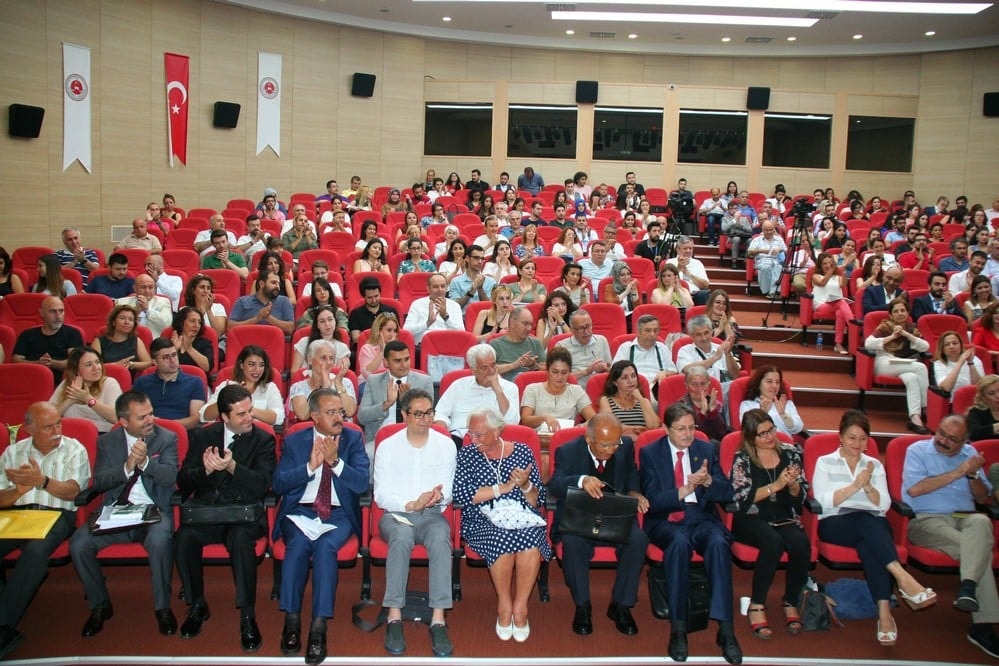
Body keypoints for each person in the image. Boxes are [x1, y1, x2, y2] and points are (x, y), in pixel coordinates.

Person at [811, 409, 937, 647]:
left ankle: (884, 613)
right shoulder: (825, 462)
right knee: (868, 523)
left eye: (862, 438)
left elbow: (883, 504)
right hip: (835, 523)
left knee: (870, 539)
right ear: (840, 437)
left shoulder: (874, 465)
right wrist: (856, 485)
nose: (857, 444)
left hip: (871, 524)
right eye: (851, 437)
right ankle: (903, 578)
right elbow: (824, 500)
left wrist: (868, 487)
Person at [68, 390, 178, 638]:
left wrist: (146, 464)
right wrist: (128, 466)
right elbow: (100, 481)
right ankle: (100, 605)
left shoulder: (166, 438)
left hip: (153, 512)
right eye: (142, 417)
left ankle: (162, 607)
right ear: (123, 421)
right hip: (116, 512)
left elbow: (171, 476)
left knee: (160, 540)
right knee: (79, 543)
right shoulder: (108, 442)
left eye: (151, 414)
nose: (150, 420)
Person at [174, 385, 276, 651]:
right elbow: (183, 483)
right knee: (183, 537)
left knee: (240, 539)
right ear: (224, 417)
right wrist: (204, 472)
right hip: (207, 514)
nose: (249, 417)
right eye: (241, 414)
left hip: (244, 515)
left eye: (250, 410)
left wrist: (232, 467)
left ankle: (247, 616)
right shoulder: (203, 436)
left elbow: (262, 485)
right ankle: (197, 605)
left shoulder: (263, 440)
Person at [640, 403, 742, 665]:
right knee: (678, 545)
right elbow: (652, 499)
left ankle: (726, 629)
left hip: (700, 518)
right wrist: (683, 491)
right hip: (667, 520)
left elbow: (726, 492)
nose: (687, 434)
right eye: (681, 429)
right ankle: (679, 628)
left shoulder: (706, 449)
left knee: (719, 544)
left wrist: (708, 482)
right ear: (666, 428)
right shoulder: (651, 453)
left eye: (691, 428)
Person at [272, 388, 367, 665]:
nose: (340, 417)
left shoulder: (352, 439)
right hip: (300, 511)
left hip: (338, 515)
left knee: (326, 548)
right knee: (298, 545)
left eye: (341, 411)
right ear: (314, 416)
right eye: (332, 412)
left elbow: (361, 483)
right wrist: (310, 467)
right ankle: (291, 619)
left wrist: (335, 462)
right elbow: (279, 483)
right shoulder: (296, 441)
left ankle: (318, 627)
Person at [902, 414, 999, 658]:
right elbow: (915, 490)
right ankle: (982, 625)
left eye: (952, 439)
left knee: (982, 521)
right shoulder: (918, 451)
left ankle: (968, 587)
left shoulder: (971, 454)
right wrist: (959, 472)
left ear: (964, 441)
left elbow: (980, 498)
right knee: (979, 550)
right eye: (941, 433)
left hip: (964, 518)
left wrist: (973, 475)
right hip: (927, 520)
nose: (943, 440)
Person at [0, 402, 91, 658]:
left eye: (58, 423)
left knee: (35, 552)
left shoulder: (74, 449)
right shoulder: (12, 452)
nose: (56, 430)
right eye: (48, 427)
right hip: (15, 514)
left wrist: (42, 481)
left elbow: (74, 491)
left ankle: (4, 625)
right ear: (28, 428)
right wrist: (17, 491)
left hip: (56, 515)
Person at [453, 407, 550, 642]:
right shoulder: (467, 454)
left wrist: (526, 485)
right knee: (501, 538)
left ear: (497, 431)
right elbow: (461, 495)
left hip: (521, 515)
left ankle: (521, 607)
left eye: (480, 435)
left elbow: (538, 500)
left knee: (530, 539)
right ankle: (504, 605)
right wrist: (502, 489)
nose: (473, 440)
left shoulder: (523, 452)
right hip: (481, 519)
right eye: (471, 434)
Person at [373, 388, 457, 657]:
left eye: (429, 413)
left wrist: (437, 496)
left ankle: (439, 618)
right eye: (418, 414)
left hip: (432, 514)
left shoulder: (445, 444)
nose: (425, 419)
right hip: (397, 514)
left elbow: (450, 490)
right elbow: (381, 494)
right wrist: (410, 504)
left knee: (441, 541)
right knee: (401, 538)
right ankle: (394, 615)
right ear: (404, 415)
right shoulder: (388, 445)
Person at [548, 413, 649, 635]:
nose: (611, 449)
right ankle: (583, 606)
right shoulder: (568, 451)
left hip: (615, 514)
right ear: (588, 439)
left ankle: (621, 605)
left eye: (615, 443)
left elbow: (631, 470)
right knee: (572, 543)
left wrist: (634, 491)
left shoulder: (624, 446)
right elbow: (554, 485)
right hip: (580, 516)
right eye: (604, 445)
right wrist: (581, 480)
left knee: (638, 539)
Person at [728, 408, 810, 640]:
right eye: (762, 434)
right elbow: (741, 498)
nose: (769, 437)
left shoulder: (792, 453)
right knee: (772, 542)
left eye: (771, 430)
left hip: (784, 515)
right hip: (751, 517)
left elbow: (801, 494)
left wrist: (792, 485)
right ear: (751, 437)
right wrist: (777, 484)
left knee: (800, 543)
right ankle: (757, 604)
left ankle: (791, 600)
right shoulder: (742, 458)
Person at [865, 297, 931, 434]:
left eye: (903, 310)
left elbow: (925, 347)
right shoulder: (885, 326)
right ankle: (926, 408)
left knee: (912, 378)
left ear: (908, 313)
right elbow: (868, 344)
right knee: (921, 368)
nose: (900, 313)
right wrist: (893, 337)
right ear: (890, 315)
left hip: (903, 364)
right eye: (896, 311)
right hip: (884, 362)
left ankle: (915, 418)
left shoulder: (911, 329)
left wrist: (907, 335)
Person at [434, 344, 519, 445]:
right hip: (459, 438)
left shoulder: (510, 388)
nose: (491, 371)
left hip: (493, 441)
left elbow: (513, 421)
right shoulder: (459, 385)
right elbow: (440, 413)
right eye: (484, 368)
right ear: (473, 370)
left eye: (493, 365)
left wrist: (498, 390)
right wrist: (443, 435)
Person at [357, 339, 434, 448]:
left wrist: (407, 402)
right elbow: (362, 417)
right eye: (398, 361)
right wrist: (386, 404)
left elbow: (428, 418)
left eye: (406, 359)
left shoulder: (424, 381)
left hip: (414, 437)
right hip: (380, 438)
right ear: (386, 362)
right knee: (369, 455)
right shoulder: (373, 381)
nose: (404, 365)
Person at [520, 347, 595, 442]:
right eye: (555, 372)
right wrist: (543, 417)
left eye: (564, 373)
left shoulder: (576, 391)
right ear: (547, 370)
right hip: (539, 441)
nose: (559, 377)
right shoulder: (532, 389)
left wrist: (580, 427)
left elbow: (594, 419)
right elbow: (525, 420)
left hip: (567, 441)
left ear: (570, 372)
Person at [200, 345, 284, 426]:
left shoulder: (270, 388)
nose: (257, 369)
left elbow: (278, 418)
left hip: (260, 437)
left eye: (261, 365)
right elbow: (204, 416)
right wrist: (226, 399)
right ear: (241, 365)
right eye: (252, 364)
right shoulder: (227, 386)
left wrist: (248, 410)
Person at [132, 338, 206, 430]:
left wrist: (162, 424)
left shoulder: (195, 382)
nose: (172, 360)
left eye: (174, 355)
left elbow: (194, 420)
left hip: (180, 432)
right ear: (155, 362)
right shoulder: (142, 383)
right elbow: (134, 414)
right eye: (166, 357)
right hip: (148, 432)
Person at [12, 295, 84, 384]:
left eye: (61, 311)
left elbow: (75, 362)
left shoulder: (73, 334)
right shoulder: (27, 335)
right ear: (42, 313)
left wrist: (51, 363)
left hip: (63, 382)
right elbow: (16, 359)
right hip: (30, 380)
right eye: (53, 311)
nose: (58, 316)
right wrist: (37, 364)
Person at [49, 346, 122, 433]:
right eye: (88, 365)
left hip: (101, 434)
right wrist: (71, 399)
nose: (96, 368)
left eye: (97, 362)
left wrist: (88, 399)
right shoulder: (67, 384)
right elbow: (49, 417)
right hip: (71, 434)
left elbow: (117, 418)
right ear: (76, 369)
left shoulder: (109, 384)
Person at [288, 340, 357, 423]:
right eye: (323, 358)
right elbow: (303, 415)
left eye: (331, 358)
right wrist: (323, 390)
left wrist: (338, 383)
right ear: (310, 360)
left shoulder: (345, 382)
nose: (328, 362)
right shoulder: (298, 387)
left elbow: (349, 412)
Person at [611, 314, 676, 393]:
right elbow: (614, 373)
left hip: (658, 388)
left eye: (655, 330)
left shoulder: (662, 348)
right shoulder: (626, 348)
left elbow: (674, 372)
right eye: (648, 330)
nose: (652, 334)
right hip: (634, 389)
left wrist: (665, 373)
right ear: (638, 332)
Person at [676, 315, 741, 391]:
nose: (704, 338)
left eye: (706, 333)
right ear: (691, 336)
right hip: (699, 391)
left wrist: (728, 354)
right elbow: (688, 370)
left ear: (711, 332)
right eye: (698, 334)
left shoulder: (721, 347)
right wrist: (715, 357)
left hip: (723, 389)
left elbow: (735, 375)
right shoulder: (685, 350)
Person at [738, 365, 804, 439]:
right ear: (758, 384)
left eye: (777, 382)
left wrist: (783, 415)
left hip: (785, 446)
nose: (774, 386)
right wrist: (762, 413)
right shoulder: (748, 405)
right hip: (758, 447)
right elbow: (748, 429)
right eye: (769, 381)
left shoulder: (786, 404)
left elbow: (798, 429)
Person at [598, 360, 660, 436]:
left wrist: (641, 399)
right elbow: (610, 426)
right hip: (619, 443)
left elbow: (655, 426)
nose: (630, 381)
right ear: (615, 382)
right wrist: (640, 428)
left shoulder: (643, 401)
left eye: (633, 376)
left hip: (642, 443)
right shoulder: (606, 400)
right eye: (624, 378)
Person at [810, 252, 853, 355]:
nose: (828, 265)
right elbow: (822, 283)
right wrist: (832, 270)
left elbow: (844, 284)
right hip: (821, 304)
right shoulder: (816, 276)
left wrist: (845, 269)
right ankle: (853, 325)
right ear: (820, 265)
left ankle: (838, 344)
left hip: (836, 304)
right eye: (825, 263)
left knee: (840, 312)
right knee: (841, 302)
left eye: (830, 263)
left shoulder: (837, 277)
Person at [228, 270, 295, 335]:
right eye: (273, 282)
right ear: (261, 284)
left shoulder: (284, 301)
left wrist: (268, 318)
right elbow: (229, 327)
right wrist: (256, 319)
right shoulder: (242, 301)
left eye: (279, 284)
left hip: (273, 344)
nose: (278, 287)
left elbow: (291, 329)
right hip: (246, 342)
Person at [92, 304, 153, 373]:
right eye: (122, 318)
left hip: (131, 381)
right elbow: (92, 365)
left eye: (131, 319)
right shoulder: (98, 341)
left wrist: (131, 364)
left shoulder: (136, 340)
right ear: (113, 322)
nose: (127, 322)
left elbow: (148, 363)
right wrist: (115, 365)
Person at [559, 310, 611, 389]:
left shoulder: (602, 340)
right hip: (574, 390)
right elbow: (560, 377)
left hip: (600, 388)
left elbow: (610, 369)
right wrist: (586, 371)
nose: (586, 331)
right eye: (581, 328)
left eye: (588, 326)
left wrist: (604, 369)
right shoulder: (562, 346)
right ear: (572, 330)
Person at [292, 304, 351, 375]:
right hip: (306, 383)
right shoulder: (304, 342)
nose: (327, 324)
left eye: (330, 319)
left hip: (331, 384)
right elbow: (294, 373)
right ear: (317, 325)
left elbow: (339, 375)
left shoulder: (342, 347)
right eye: (322, 321)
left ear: (335, 321)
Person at [490, 307, 545, 381]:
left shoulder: (536, 343)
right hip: (507, 386)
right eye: (525, 324)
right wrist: (514, 365)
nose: (529, 328)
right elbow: (489, 370)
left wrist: (534, 365)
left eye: (531, 324)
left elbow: (546, 370)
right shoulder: (496, 344)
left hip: (531, 385)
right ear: (512, 323)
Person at [117, 273, 173, 337]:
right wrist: (135, 312)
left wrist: (147, 310)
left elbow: (167, 323)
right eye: (143, 287)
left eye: (151, 287)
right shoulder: (121, 302)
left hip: (154, 341)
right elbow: (117, 325)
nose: (147, 291)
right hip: (128, 339)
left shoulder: (164, 302)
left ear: (155, 289)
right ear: (135, 288)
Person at [347, 276, 398, 344]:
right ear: (363, 296)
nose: (374, 300)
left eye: (376, 296)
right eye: (370, 297)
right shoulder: (356, 314)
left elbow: (397, 334)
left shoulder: (391, 311)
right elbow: (356, 338)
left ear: (380, 293)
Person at [448, 244, 496, 313]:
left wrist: (480, 289)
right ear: (467, 258)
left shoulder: (491, 281)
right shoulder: (456, 282)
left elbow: (491, 307)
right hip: (463, 319)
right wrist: (470, 293)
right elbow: (454, 307)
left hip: (486, 320)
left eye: (482, 259)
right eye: (476, 258)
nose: (480, 261)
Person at [666, 237, 711, 305]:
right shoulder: (670, 262)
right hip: (675, 293)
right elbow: (666, 282)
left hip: (695, 295)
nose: (688, 251)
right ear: (678, 250)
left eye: (690, 248)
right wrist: (678, 268)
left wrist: (688, 274)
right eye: (685, 248)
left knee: (704, 294)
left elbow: (705, 285)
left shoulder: (698, 263)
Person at [358, 312, 401, 382]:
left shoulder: (399, 349)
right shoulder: (367, 348)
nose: (393, 334)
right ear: (379, 330)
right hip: (368, 384)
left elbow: (401, 373)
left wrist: (391, 349)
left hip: (391, 383)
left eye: (395, 331)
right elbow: (367, 375)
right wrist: (382, 352)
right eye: (389, 330)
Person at [748, 222, 787, 299]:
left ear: (774, 230)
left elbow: (786, 250)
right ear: (762, 230)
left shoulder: (779, 239)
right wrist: (761, 251)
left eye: (771, 230)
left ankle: (773, 292)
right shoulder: (757, 240)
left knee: (778, 267)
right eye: (766, 230)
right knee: (765, 267)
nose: (769, 232)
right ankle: (767, 291)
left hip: (776, 260)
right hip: (763, 260)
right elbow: (749, 252)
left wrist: (780, 249)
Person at [169, 306, 214, 374]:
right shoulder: (170, 342)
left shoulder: (205, 343)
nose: (196, 325)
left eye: (199, 322)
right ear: (181, 323)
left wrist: (189, 348)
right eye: (192, 321)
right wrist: (174, 349)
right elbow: (160, 366)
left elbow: (207, 367)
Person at [968, 374, 999, 441]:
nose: (998, 396)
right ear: (983, 397)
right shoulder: (977, 412)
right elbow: (973, 434)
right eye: (992, 393)